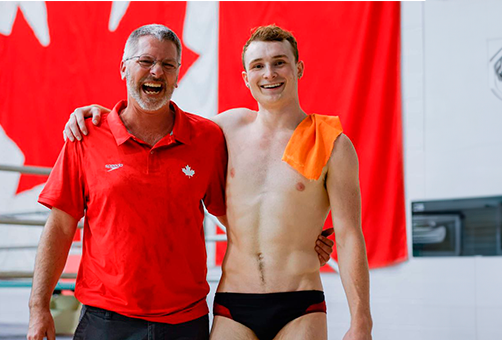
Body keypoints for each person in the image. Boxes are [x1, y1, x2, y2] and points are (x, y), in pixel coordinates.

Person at [62, 25, 372, 340]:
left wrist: (362, 321)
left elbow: (349, 236)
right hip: (234, 301)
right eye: (258, 66)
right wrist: (100, 115)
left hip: (300, 300)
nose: (269, 73)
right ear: (245, 77)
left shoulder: (333, 144)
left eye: (279, 62)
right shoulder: (225, 129)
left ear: (298, 68)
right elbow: (159, 120)